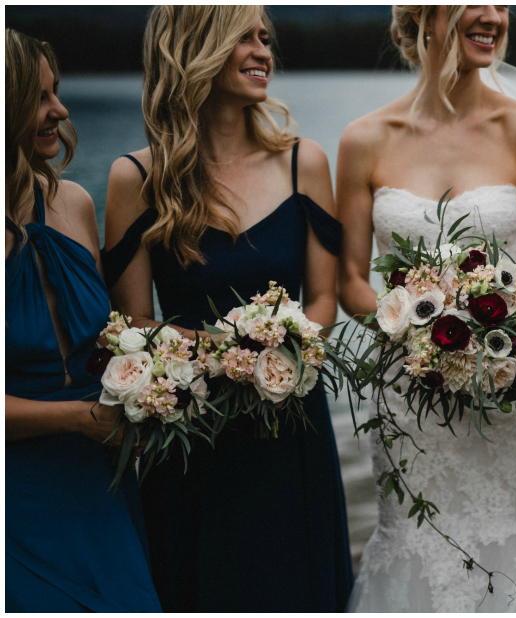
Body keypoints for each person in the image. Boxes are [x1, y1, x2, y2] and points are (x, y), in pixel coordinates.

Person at [101, 6, 353, 611]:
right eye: (245, 36)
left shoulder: (304, 162)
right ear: (197, 50)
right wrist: (221, 351)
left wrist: (280, 350)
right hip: (191, 435)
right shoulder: (136, 177)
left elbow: (323, 298)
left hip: (290, 425)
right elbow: (132, 322)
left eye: (267, 38)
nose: (263, 51)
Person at [336, 5, 516, 612]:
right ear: (424, 12)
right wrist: (419, 335)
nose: (494, 17)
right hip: (407, 394)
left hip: (508, 390)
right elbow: (349, 280)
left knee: (514, 542)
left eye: (503, 5)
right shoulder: (365, 139)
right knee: (415, 542)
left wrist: (490, 336)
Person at [5, 28, 162, 613]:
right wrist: (77, 418)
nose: (60, 110)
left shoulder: (72, 203)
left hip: (101, 484)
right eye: (41, 97)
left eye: (59, 91)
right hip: (16, 496)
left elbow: (111, 343)